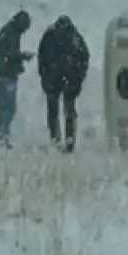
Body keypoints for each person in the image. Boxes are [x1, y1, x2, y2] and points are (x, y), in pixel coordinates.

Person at [37, 15, 90, 153]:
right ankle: (68, 141)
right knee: (69, 112)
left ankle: (56, 140)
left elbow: (41, 58)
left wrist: (45, 76)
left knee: (54, 112)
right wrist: (79, 78)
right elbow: (84, 58)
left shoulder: (49, 36)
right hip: (68, 80)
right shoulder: (75, 38)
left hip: (55, 80)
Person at [0, 10, 33, 148]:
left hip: (1, 74)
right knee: (9, 108)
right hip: (6, 75)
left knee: (4, 107)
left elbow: (5, 55)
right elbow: (9, 55)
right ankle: (4, 136)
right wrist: (22, 57)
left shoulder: (8, 31)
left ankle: (3, 135)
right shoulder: (11, 34)